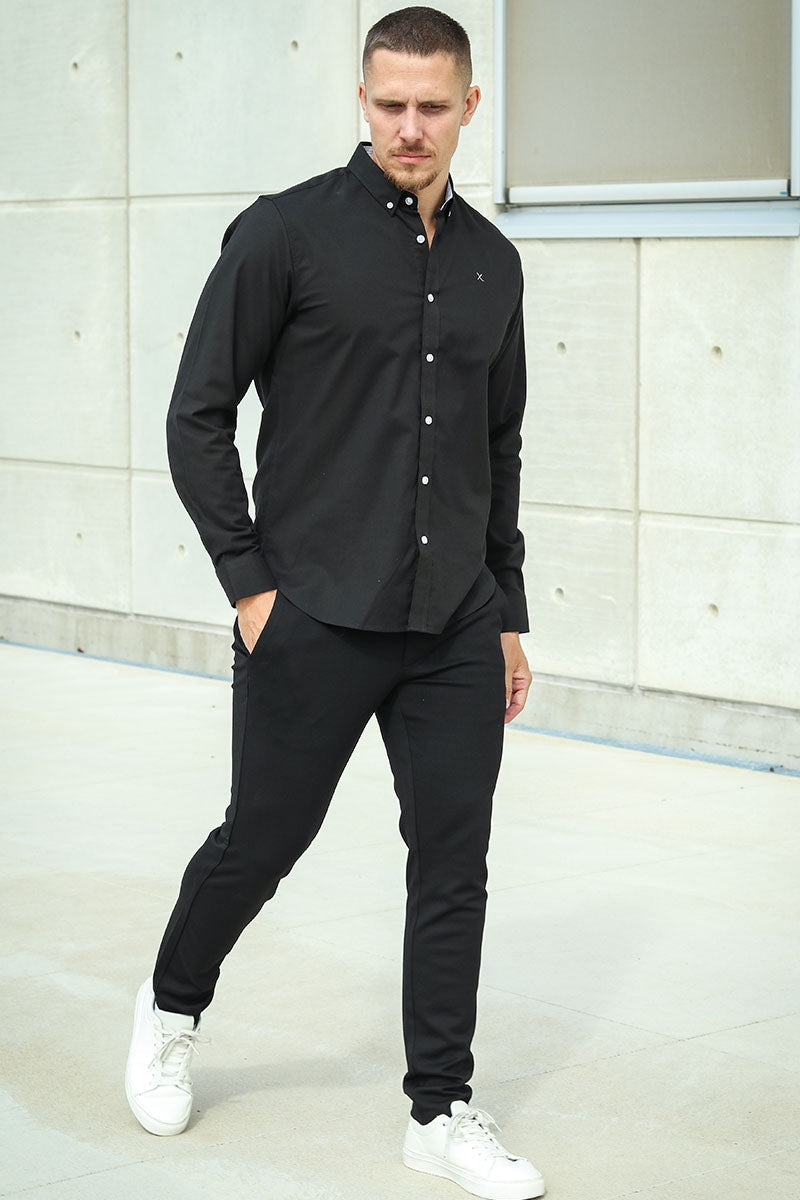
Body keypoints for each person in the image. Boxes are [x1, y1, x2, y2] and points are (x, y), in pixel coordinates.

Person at [125, 7, 544, 1198]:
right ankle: (169, 1007)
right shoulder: (284, 235)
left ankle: (439, 1108)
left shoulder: (493, 263)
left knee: (452, 862)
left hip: (453, 618)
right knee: (261, 841)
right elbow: (197, 414)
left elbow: (495, 447)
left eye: (431, 106)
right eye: (388, 104)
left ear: (470, 108)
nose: (409, 127)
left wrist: (506, 609)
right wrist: (250, 586)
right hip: (310, 609)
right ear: (361, 101)